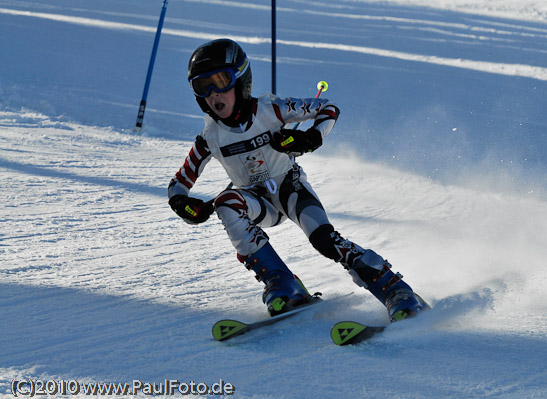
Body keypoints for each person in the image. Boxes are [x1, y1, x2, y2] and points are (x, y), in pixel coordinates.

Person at [168, 38, 428, 320]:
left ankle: (395, 290)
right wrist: (183, 204)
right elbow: (179, 183)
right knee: (226, 202)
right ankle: (283, 284)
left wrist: (309, 138)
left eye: (221, 80)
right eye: (201, 86)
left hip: (290, 189)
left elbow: (328, 109)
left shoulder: (271, 109)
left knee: (324, 240)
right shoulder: (210, 137)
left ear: (241, 79)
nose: (213, 94)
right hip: (257, 203)